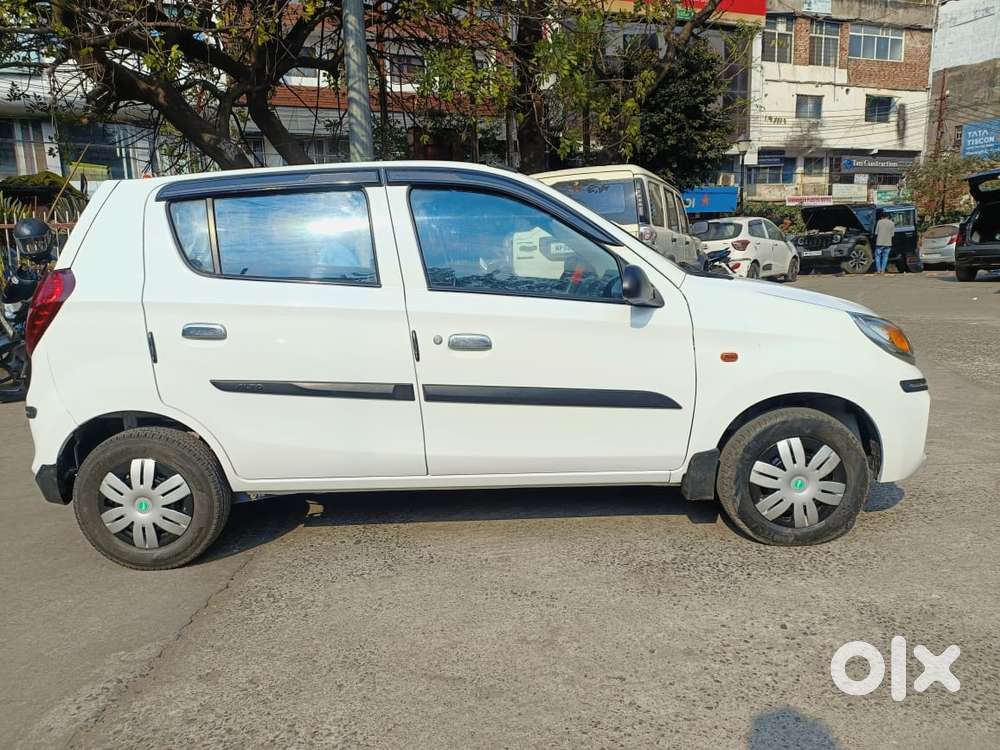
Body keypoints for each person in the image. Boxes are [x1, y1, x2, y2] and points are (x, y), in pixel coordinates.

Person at [874, 210, 895, 275]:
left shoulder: (879, 222)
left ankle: (878, 270)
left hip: (879, 243)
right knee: (885, 257)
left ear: (882, 216)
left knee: (877, 256)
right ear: (888, 216)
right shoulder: (892, 223)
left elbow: (876, 232)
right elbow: (892, 234)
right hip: (888, 243)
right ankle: (883, 270)